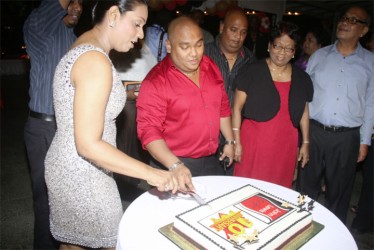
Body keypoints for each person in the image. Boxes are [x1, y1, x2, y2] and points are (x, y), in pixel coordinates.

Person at [44, 1, 194, 248]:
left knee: (72, 244)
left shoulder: (83, 45)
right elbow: (89, 145)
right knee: (114, 242)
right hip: (85, 175)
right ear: (113, 14)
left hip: (66, 165)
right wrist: (152, 174)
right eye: (137, 24)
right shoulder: (95, 60)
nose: (141, 35)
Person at [299, 6, 374, 223]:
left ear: (364, 30)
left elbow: (370, 103)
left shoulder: (370, 62)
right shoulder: (319, 56)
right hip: (314, 132)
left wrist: (364, 141)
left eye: (353, 20)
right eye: (343, 18)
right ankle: (301, 226)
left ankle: (334, 234)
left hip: (347, 137)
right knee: (306, 187)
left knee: (339, 192)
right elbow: (304, 96)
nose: (344, 23)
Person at [136, 16, 235, 177]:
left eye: (199, 45)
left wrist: (230, 141)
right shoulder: (156, 82)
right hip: (172, 162)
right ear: (169, 46)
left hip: (212, 160)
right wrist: (174, 165)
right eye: (185, 47)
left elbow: (222, 108)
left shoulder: (210, 66)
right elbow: (149, 131)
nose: (194, 53)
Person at [23, 0, 83, 248]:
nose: (77, 6)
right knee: (46, 198)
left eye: (80, 1)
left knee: (71, 197)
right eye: (72, 1)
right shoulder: (38, 28)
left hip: (70, 127)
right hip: (44, 127)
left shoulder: (74, 37)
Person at [231, 21, 313, 188]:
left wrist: (305, 143)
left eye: (288, 48)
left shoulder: (302, 78)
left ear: (294, 51)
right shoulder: (252, 72)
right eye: (278, 46)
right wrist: (236, 141)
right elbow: (236, 108)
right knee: (247, 190)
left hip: (285, 146)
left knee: (277, 193)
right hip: (254, 143)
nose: (282, 53)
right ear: (269, 45)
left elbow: (303, 112)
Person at [204, 8, 255, 175]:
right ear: (221, 27)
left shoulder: (250, 61)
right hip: (204, 133)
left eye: (243, 32)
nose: (238, 37)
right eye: (233, 30)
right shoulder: (203, 54)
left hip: (235, 136)